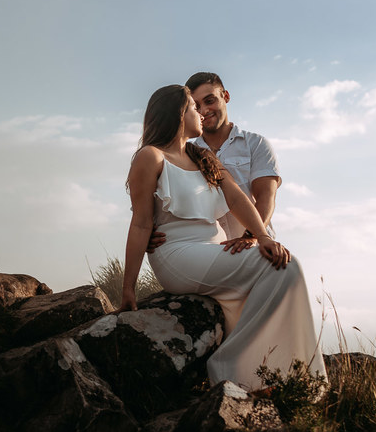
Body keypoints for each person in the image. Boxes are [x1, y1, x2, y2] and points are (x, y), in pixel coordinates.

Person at [120, 84, 326, 389]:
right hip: (177, 253)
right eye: (194, 107)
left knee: (284, 266)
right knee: (285, 266)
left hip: (214, 248)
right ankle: (227, 364)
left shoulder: (202, 157)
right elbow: (140, 223)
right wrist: (128, 288)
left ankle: (280, 378)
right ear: (177, 114)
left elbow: (237, 199)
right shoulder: (151, 156)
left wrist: (262, 236)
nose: (201, 113)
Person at [147, 72, 280, 255]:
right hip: (207, 251)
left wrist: (252, 236)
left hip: (255, 247)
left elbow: (266, 196)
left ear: (226, 96)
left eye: (210, 101)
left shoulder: (256, 144)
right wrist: (150, 230)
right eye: (196, 106)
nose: (204, 111)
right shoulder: (187, 154)